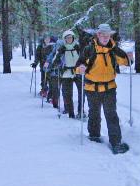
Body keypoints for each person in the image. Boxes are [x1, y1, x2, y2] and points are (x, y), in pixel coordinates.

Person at [76, 23, 134, 154]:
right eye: (103, 35)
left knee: (111, 115)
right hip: (92, 88)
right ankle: (94, 136)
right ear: (98, 35)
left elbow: (126, 62)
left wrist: (129, 58)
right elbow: (79, 65)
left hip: (109, 88)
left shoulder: (114, 49)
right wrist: (80, 69)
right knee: (94, 113)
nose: (106, 37)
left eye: (108, 35)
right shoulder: (89, 49)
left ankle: (116, 143)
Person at [50, 30, 83, 119]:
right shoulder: (61, 49)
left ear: (73, 38)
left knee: (82, 93)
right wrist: (56, 63)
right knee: (67, 95)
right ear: (64, 39)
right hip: (65, 74)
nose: (69, 39)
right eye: (67, 38)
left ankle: (80, 111)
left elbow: (84, 58)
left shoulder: (78, 47)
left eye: (71, 37)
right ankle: (71, 113)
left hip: (78, 73)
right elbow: (54, 61)